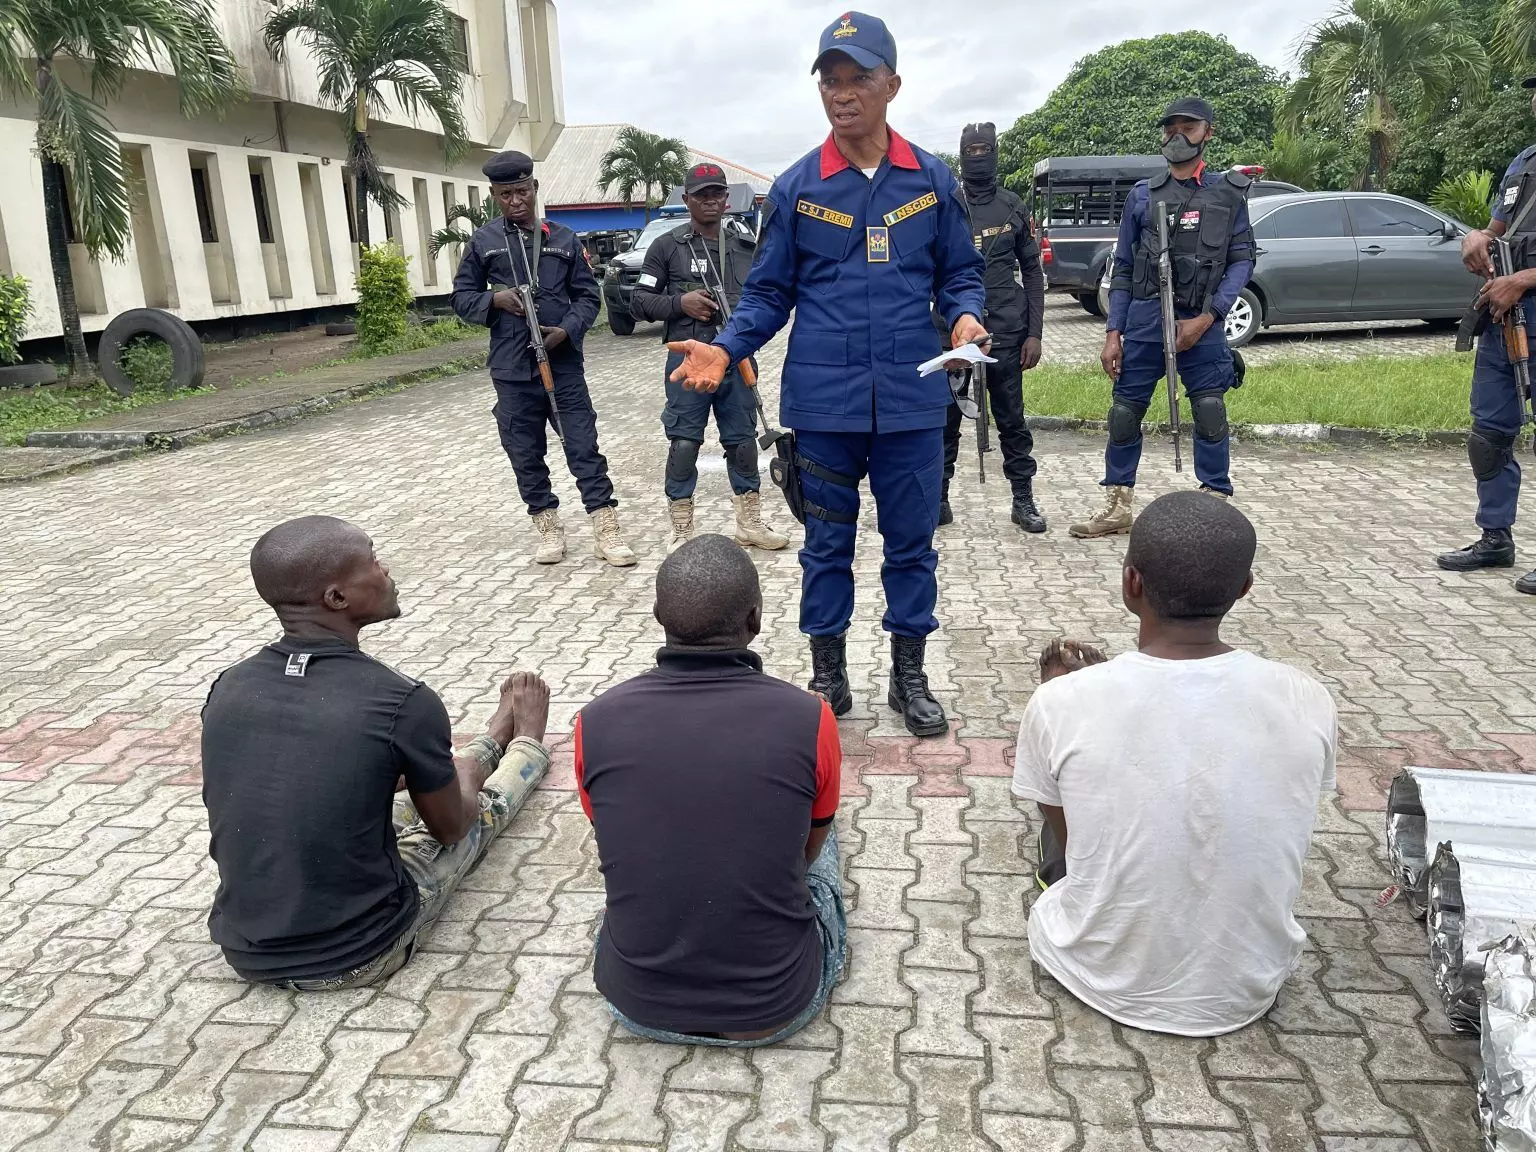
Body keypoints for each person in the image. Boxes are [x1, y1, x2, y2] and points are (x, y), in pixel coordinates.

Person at [667, 11, 987, 737]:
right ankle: (828, 676)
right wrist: (727, 345)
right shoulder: (798, 187)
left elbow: (962, 275)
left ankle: (910, 677)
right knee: (826, 548)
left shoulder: (931, 181)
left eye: (858, 79)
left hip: (911, 401)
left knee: (911, 546)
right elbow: (771, 291)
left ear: (891, 85)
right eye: (830, 82)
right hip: (824, 405)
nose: (842, 95)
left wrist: (965, 316)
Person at [1012, 492, 1337, 1037]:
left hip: (1097, 972)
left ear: (1130, 583)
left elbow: (1075, 839)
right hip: (1248, 983)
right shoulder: (1307, 698)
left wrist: (1068, 698)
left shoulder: (1060, 704)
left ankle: (1092, 708)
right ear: (1244, 589)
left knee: (1068, 802)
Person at [200, 515, 552, 990]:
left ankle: (490, 739)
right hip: (357, 953)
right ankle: (526, 744)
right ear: (337, 599)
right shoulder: (400, 700)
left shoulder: (229, 686)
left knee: (405, 792)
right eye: (372, 560)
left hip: (244, 949)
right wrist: (466, 771)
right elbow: (452, 827)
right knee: (476, 809)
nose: (386, 569)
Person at [574, 534, 846, 1045]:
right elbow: (807, 850)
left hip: (638, 1007)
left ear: (658, 615)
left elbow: (604, 825)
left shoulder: (595, 721)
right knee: (827, 838)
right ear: (755, 619)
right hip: (775, 1008)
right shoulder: (810, 718)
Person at [1069, 98, 1255, 539]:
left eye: (1187, 128)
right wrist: (1113, 332)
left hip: (1200, 327)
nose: (1177, 136)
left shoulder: (1228, 194)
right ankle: (1117, 505)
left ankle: (1214, 502)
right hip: (1146, 322)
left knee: (1209, 409)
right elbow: (1125, 268)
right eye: (1169, 128)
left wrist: (1209, 317)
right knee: (1124, 413)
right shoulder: (1142, 195)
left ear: (1208, 132)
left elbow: (1242, 260)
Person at [452, 150, 635, 568]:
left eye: (521, 191)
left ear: (534, 188)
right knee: (524, 451)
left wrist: (567, 330)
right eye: (505, 195)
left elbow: (589, 297)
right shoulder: (484, 243)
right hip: (513, 369)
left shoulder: (564, 239)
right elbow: (460, 299)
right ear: (494, 196)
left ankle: (606, 528)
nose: (515, 201)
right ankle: (547, 526)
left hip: (563, 363)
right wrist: (494, 299)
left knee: (583, 445)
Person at [629, 161, 790, 554]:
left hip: (735, 361)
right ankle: (682, 527)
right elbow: (637, 301)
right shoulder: (667, 246)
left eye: (718, 193)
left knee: (743, 442)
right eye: (702, 195)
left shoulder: (745, 247)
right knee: (684, 442)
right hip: (689, 363)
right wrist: (679, 303)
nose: (712, 201)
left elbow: (768, 298)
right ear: (687, 200)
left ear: (727, 198)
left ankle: (749, 521)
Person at [1437, 76, 1536, 593]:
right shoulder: (1523, 162)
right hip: (1506, 318)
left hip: (1523, 299)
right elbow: (1498, 231)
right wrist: (1475, 238)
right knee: (1489, 436)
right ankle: (1495, 537)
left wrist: (1523, 279)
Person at [937, 122, 1047, 533]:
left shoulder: (1013, 205)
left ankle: (1023, 498)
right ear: (961, 155)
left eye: (985, 149)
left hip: (1007, 327)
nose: (978, 157)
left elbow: (1033, 273)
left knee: (1011, 419)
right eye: (971, 150)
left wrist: (1034, 333)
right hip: (952, 329)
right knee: (945, 418)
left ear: (996, 153)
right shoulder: (945, 204)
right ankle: (939, 497)